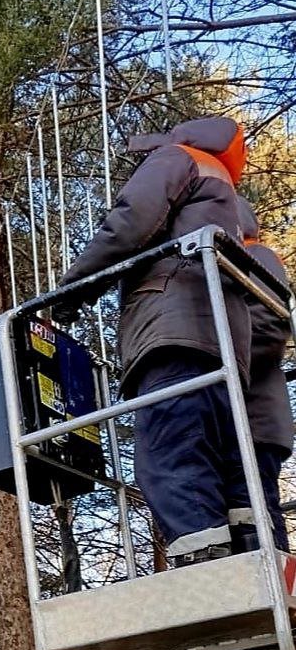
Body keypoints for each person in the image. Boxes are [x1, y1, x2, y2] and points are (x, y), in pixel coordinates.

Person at [57, 116, 250, 566]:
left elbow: (131, 222)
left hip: (173, 333)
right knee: (225, 468)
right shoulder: (226, 190)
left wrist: (73, 290)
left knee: (170, 454)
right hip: (222, 341)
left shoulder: (178, 158)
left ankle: (210, 575)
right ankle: (250, 563)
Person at [230, 196, 293, 552]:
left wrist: (219, 365)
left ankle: (275, 587)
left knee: (253, 503)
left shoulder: (256, 256)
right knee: (249, 505)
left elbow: (268, 326)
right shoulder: (237, 261)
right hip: (249, 415)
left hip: (256, 417)